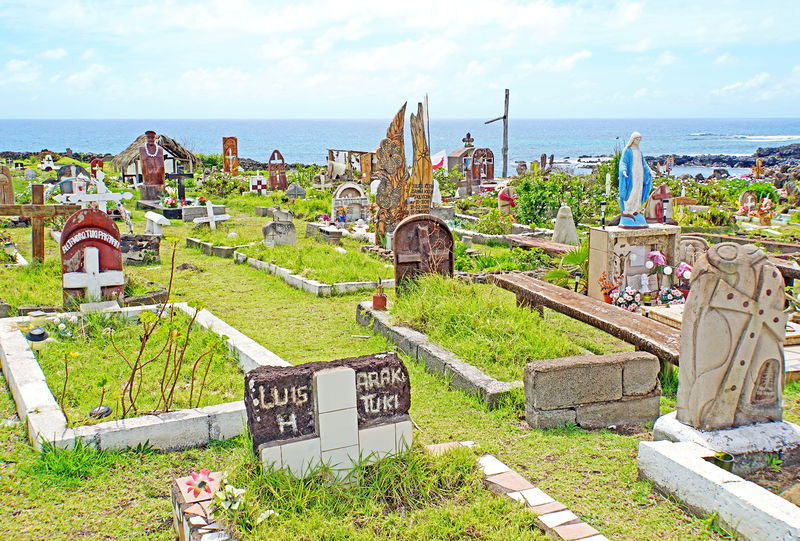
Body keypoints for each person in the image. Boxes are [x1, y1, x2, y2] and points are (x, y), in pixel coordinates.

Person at [618, 131, 652, 229]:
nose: (638, 141)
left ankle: (636, 209)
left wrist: (649, 171)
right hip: (631, 176)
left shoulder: (639, 151)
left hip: (639, 175)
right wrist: (623, 171)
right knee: (631, 192)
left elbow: (644, 164)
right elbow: (623, 162)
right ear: (633, 139)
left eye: (639, 140)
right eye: (637, 139)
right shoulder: (627, 150)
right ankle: (627, 210)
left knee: (638, 192)